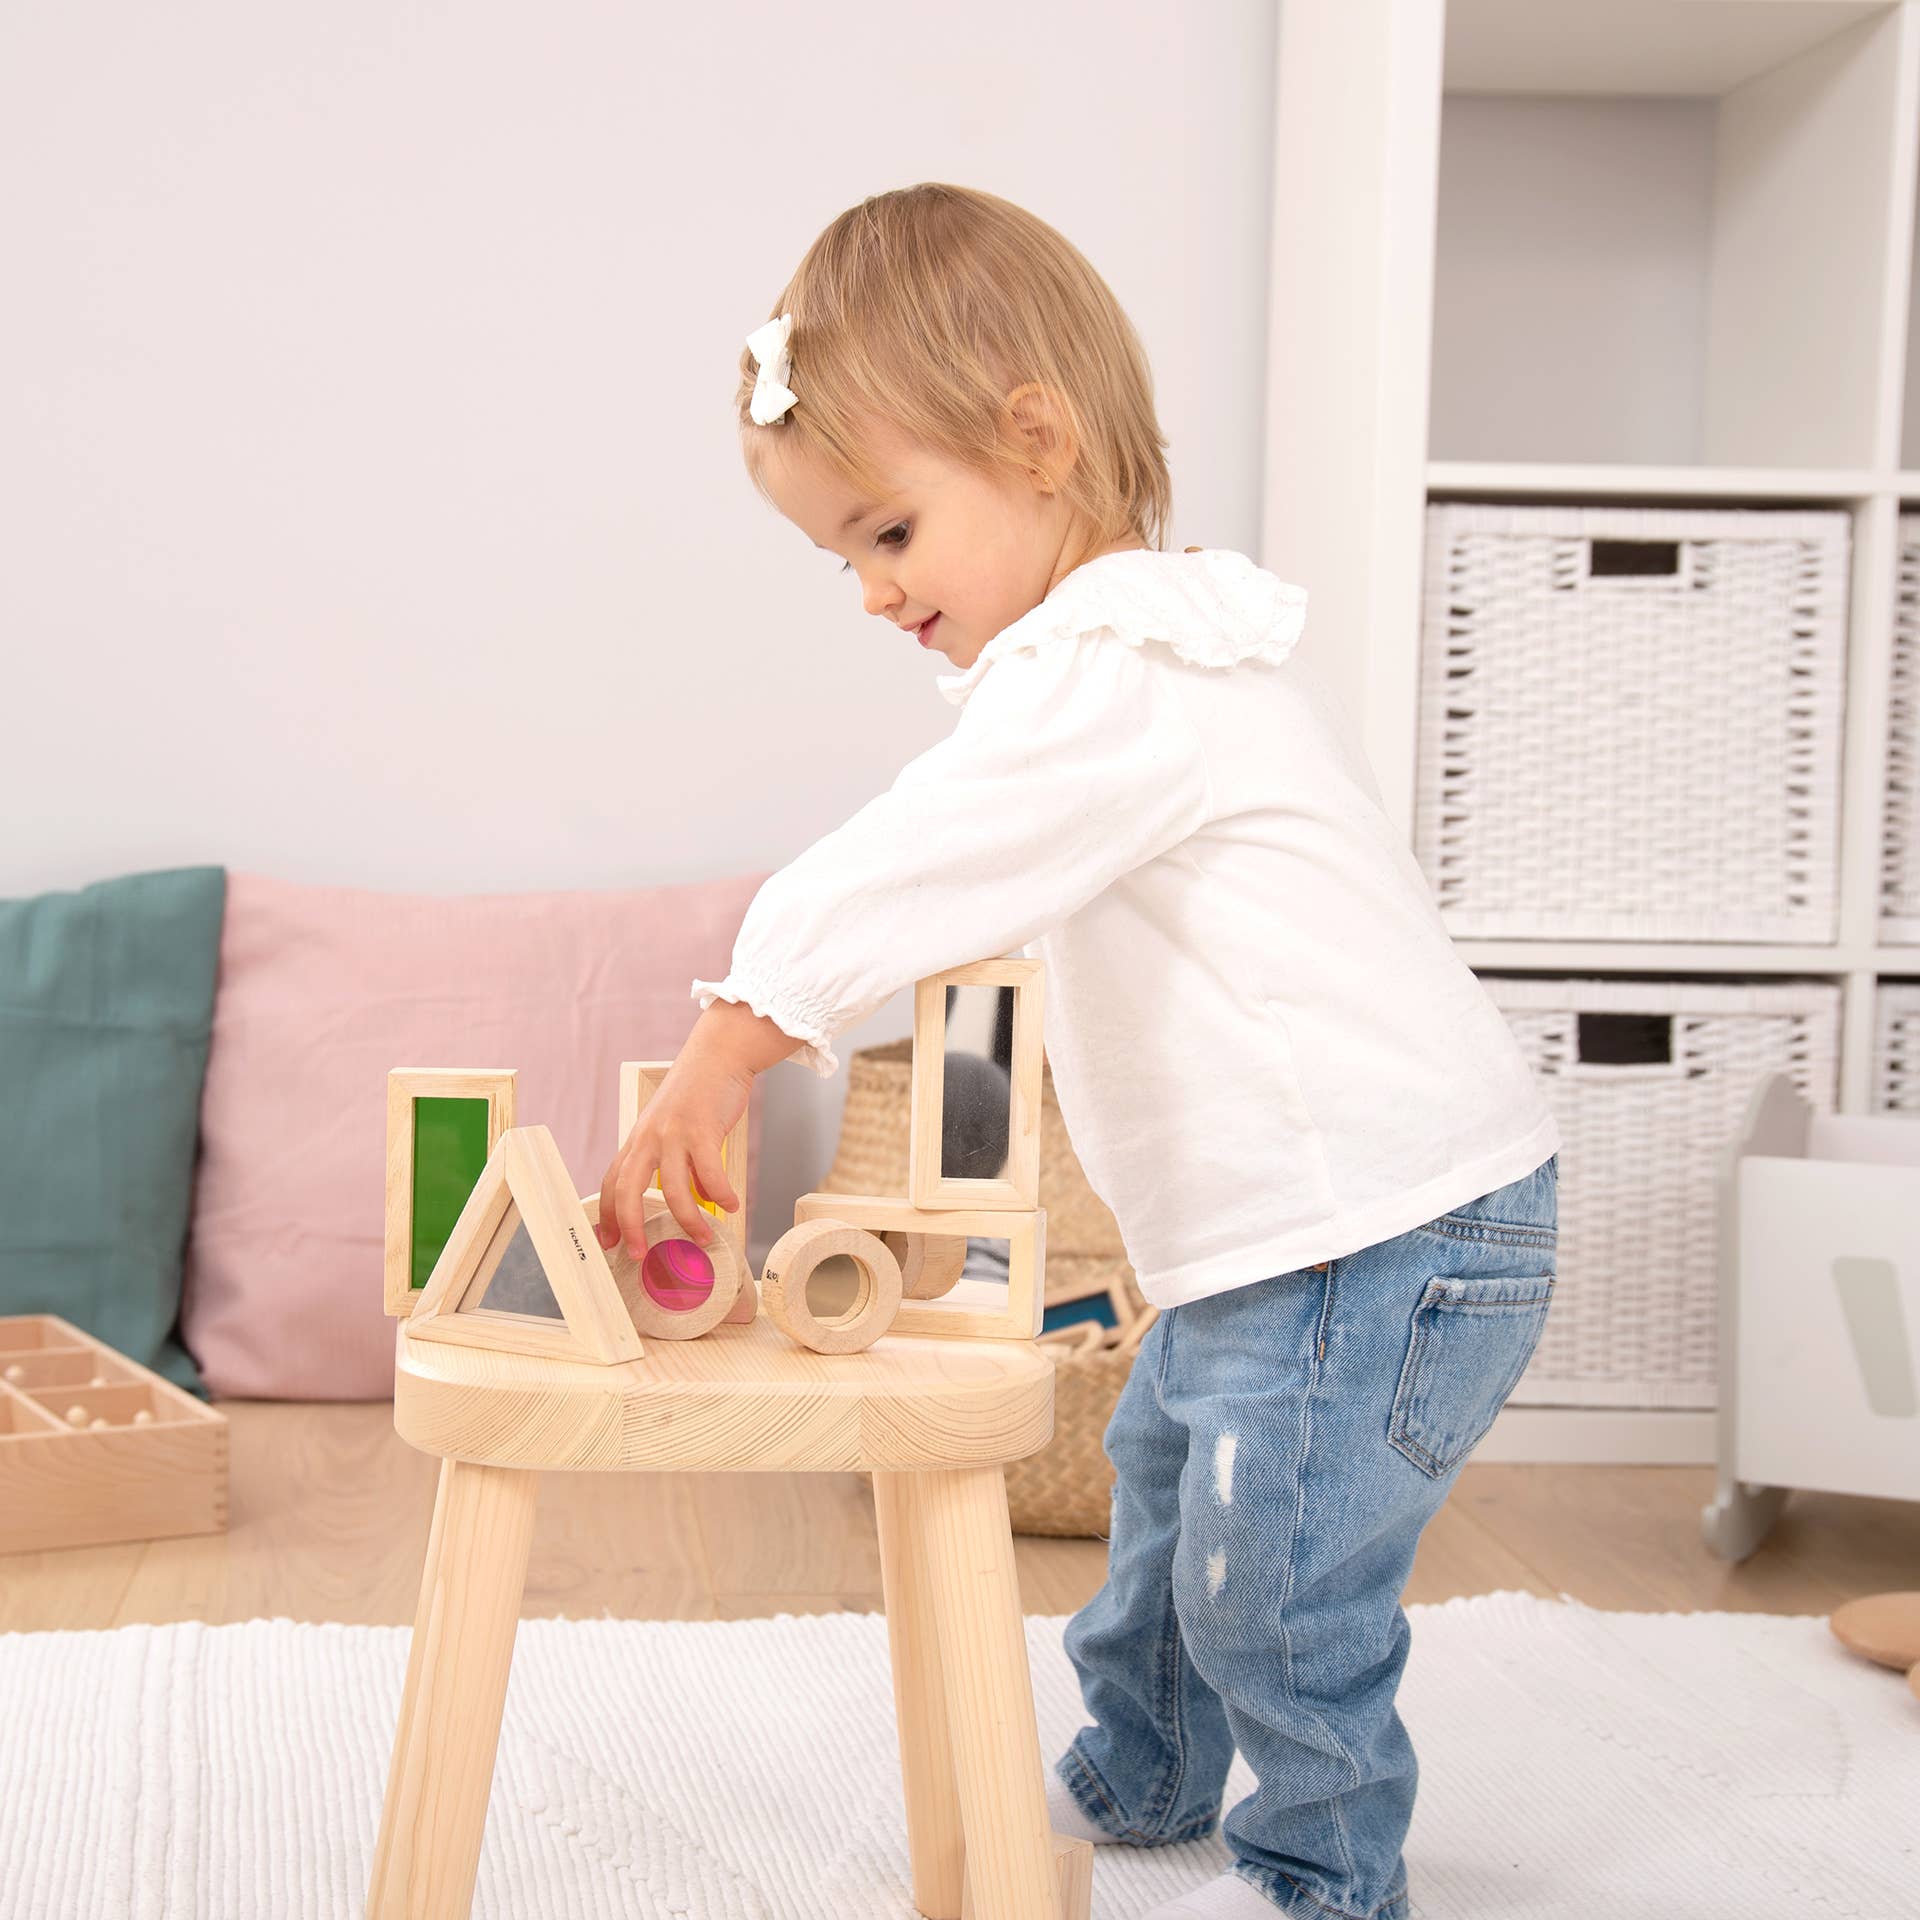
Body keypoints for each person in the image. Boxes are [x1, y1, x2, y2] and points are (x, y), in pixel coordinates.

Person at [595, 182, 1560, 1920]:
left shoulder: (1121, 671)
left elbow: (918, 852)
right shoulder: (1111, 669)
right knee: (1162, 1506)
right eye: (843, 561)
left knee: (1266, 1576)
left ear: (1034, 440)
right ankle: (1142, 1767)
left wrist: (737, 1038)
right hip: (1286, 1242)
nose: (874, 595)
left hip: (1386, 1229)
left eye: (889, 534)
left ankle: (1322, 1873)